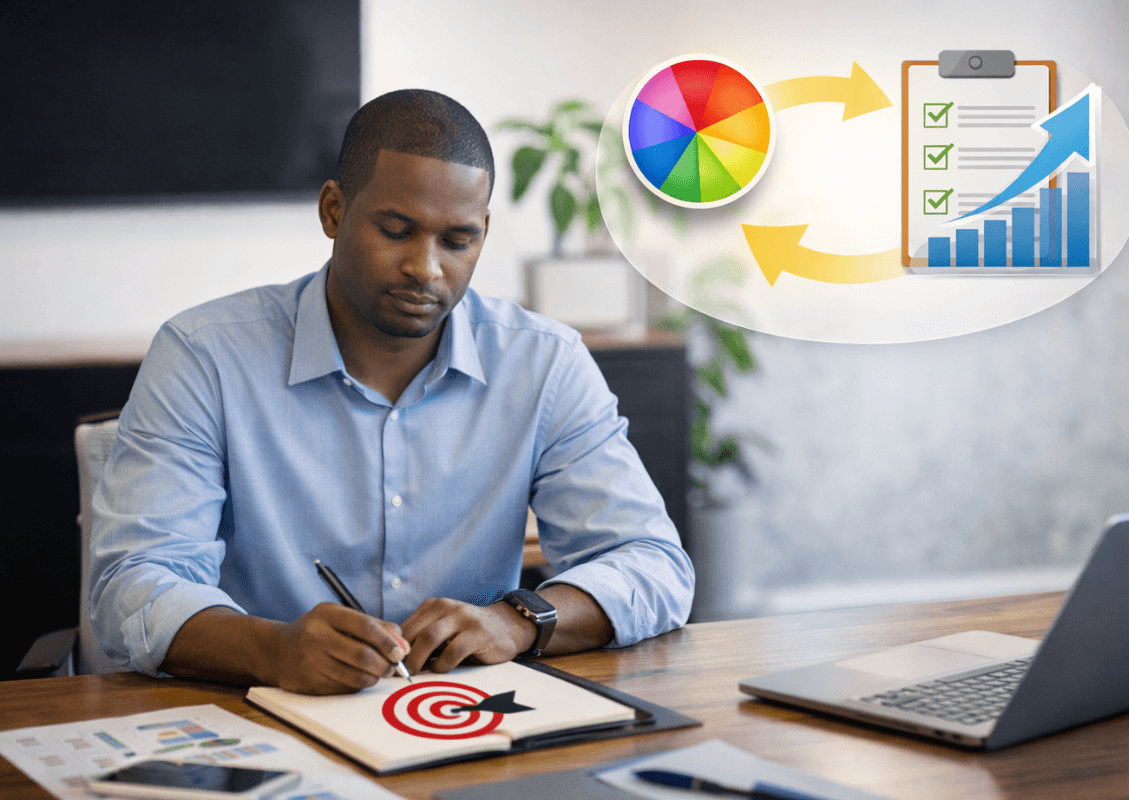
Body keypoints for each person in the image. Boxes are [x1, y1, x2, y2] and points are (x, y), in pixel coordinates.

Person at [89, 89, 693, 695]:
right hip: (257, 713)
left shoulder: (544, 363)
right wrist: (274, 649)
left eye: (457, 241)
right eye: (397, 231)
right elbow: (134, 583)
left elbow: (653, 563)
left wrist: (515, 622)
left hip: (461, 721)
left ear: (483, 232)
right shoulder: (205, 356)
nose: (426, 268)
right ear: (332, 211)